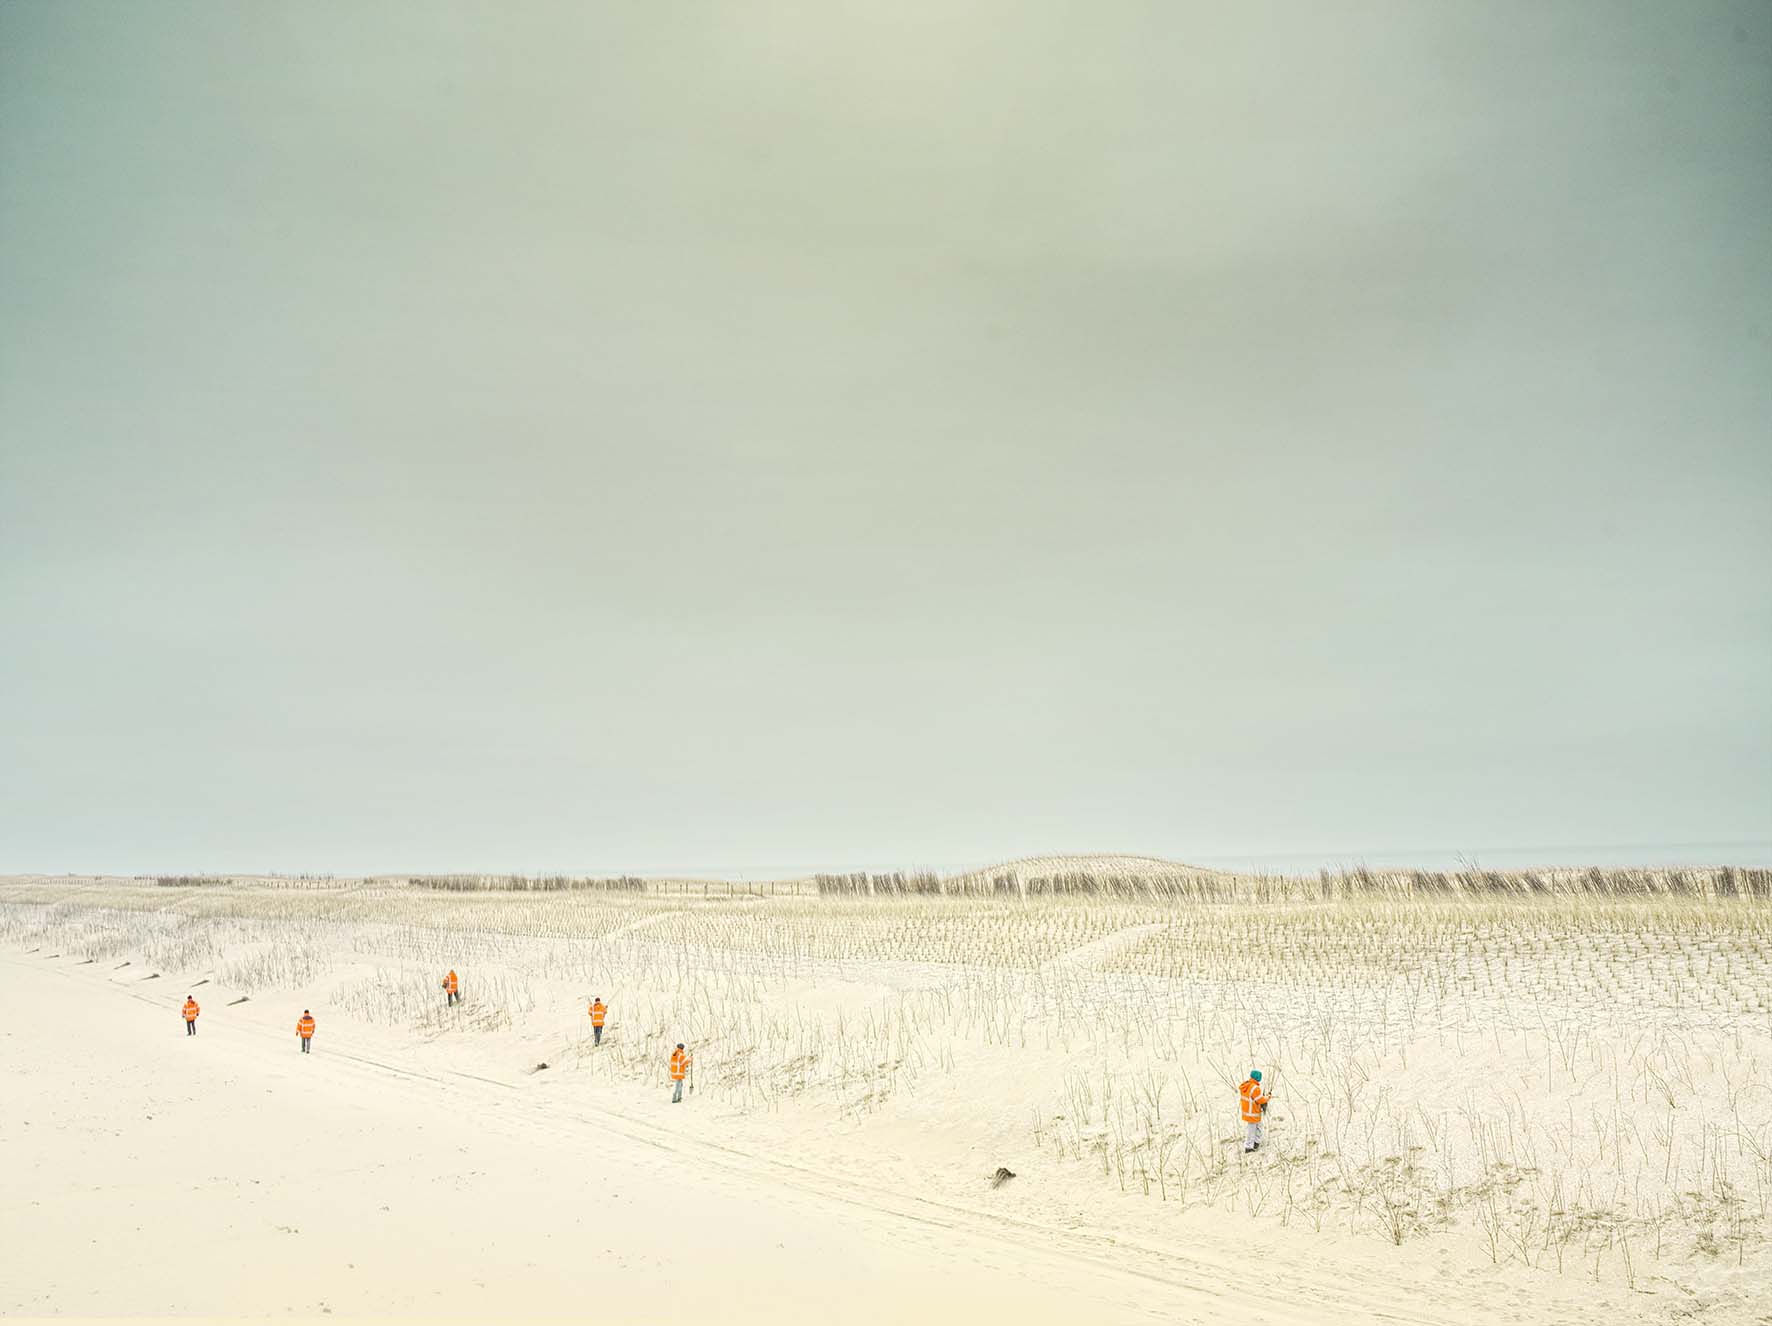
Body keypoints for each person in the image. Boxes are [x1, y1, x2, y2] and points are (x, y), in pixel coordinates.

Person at [1239, 1069, 1271, 1152]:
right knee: (1252, 1130)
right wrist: (1267, 1097)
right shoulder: (1255, 1088)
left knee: (1258, 1126)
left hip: (1248, 1112)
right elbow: (1260, 1100)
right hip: (1253, 1113)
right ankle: (1249, 1147)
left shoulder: (1246, 1085)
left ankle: (1256, 1142)